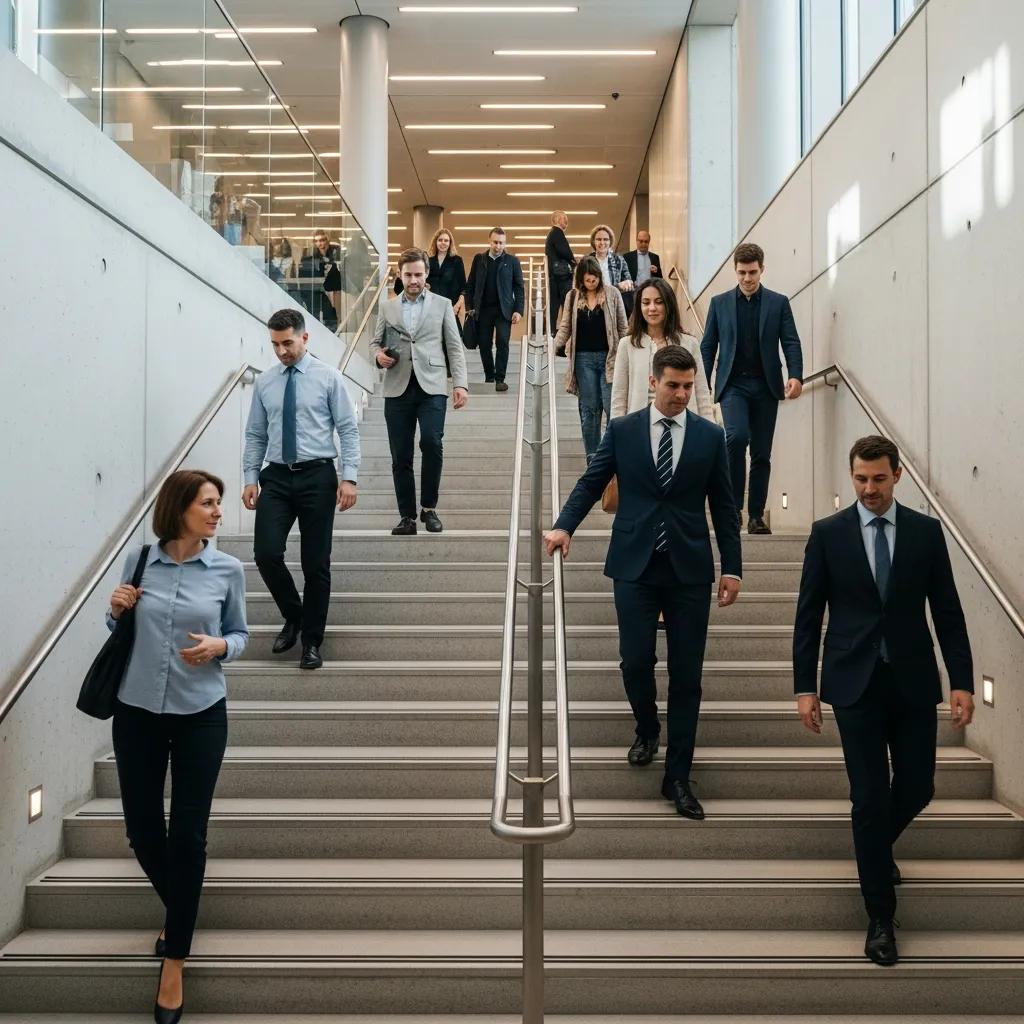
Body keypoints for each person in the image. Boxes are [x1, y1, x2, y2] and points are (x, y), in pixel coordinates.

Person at [793, 435, 975, 968]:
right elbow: (808, 617)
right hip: (853, 684)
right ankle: (879, 918)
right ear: (851, 477)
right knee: (869, 798)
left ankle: (873, 851)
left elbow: (948, 611)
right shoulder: (828, 535)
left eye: (877, 478)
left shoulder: (925, 532)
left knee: (918, 786)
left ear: (897, 475)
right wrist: (806, 686)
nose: (868, 489)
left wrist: (960, 679)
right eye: (859, 479)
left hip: (913, 681)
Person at [545, 346, 742, 820]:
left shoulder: (711, 437)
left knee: (688, 676)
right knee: (635, 661)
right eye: (673, 385)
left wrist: (731, 567)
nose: (681, 394)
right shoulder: (624, 430)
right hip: (634, 563)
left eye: (688, 386)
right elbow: (592, 482)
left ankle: (677, 776)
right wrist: (564, 526)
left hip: (689, 568)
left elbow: (724, 507)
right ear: (653, 382)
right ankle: (648, 726)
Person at [107, 469, 249, 1023]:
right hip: (136, 711)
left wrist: (220, 645)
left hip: (201, 715)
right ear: (180, 508)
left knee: (187, 835)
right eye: (208, 503)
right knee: (142, 831)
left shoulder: (228, 570)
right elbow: (115, 626)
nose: (217, 512)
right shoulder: (140, 562)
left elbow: (241, 634)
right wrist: (116, 609)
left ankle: (175, 957)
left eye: (217, 503)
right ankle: (182, 907)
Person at [242, 308, 361, 670]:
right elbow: (256, 433)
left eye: (288, 343)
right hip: (276, 477)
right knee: (265, 554)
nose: (281, 351)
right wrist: (250, 476)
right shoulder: (265, 382)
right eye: (275, 344)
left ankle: (311, 641)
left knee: (315, 564)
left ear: (305, 338)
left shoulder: (328, 378)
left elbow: (348, 429)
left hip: (317, 476)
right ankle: (294, 614)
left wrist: (349, 476)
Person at [699, 242, 803, 535]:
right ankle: (733, 510)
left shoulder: (778, 302)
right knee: (736, 437)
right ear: (736, 271)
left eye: (753, 272)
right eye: (742, 272)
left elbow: (791, 341)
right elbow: (708, 346)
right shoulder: (719, 303)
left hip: (767, 386)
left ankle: (756, 515)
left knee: (761, 453)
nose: (747, 278)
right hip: (733, 384)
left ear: (762, 270)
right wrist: (702, 382)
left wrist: (796, 375)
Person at [371, 246, 470, 535]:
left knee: (431, 443)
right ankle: (407, 517)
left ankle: (429, 508)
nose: (413, 280)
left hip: (433, 385)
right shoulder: (387, 306)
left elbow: (454, 345)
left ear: (426, 274)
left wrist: (460, 384)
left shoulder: (442, 304)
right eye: (408, 274)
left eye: (418, 274)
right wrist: (378, 356)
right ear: (400, 276)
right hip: (397, 387)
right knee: (400, 456)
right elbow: (375, 342)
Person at [553, 255, 627, 461]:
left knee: (612, 408)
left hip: (609, 359)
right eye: (587, 280)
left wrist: (629, 351)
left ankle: (612, 455)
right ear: (581, 280)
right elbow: (565, 326)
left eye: (594, 279)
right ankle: (593, 458)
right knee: (590, 409)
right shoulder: (573, 296)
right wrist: (553, 347)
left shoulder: (612, 294)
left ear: (599, 277)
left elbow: (623, 327)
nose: (591, 283)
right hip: (583, 359)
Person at [611, 277, 713, 420]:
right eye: (646, 303)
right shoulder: (627, 345)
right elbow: (619, 397)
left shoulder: (690, 343)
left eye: (659, 302)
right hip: (640, 427)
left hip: (683, 425)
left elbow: (702, 393)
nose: (652, 308)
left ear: (668, 305)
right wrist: (617, 432)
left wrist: (709, 430)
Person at [394, 228, 468, 377]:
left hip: (449, 305)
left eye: (446, 240)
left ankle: (450, 368)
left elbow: (463, 287)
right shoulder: (428, 259)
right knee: (433, 335)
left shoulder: (456, 261)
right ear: (436, 241)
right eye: (440, 240)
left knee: (451, 336)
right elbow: (422, 279)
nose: (443, 243)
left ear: (450, 243)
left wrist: (458, 305)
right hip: (430, 304)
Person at [464, 226, 525, 392]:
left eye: (502, 243)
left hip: (503, 310)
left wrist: (518, 310)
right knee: (484, 344)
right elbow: (470, 285)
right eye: (496, 242)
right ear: (489, 241)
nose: (498, 246)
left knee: (502, 342)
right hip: (482, 310)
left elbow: (519, 287)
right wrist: (469, 306)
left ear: (505, 244)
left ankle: (500, 379)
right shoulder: (480, 259)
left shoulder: (512, 261)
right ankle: (489, 375)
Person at [545, 210, 576, 332]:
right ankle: (565, 330)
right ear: (558, 220)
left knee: (554, 304)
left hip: (554, 276)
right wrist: (573, 260)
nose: (567, 221)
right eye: (565, 219)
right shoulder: (557, 233)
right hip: (561, 276)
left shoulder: (551, 234)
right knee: (566, 303)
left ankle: (552, 330)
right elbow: (564, 251)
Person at [621, 230, 662, 318]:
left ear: (649, 242)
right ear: (636, 241)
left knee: (647, 315)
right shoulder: (627, 257)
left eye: (646, 241)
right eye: (641, 241)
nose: (643, 244)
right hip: (633, 293)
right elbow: (622, 277)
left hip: (650, 293)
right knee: (633, 316)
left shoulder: (655, 257)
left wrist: (657, 271)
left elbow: (660, 279)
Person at [311, 229, 343, 327]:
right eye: (316, 241)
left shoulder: (335, 250)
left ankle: (335, 327)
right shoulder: (313, 254)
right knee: (321, 312)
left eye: (322, 240)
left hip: (335, 286)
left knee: (335, 313)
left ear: (327, 240)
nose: (319, 243)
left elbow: (340, 267)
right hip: (319, 286)